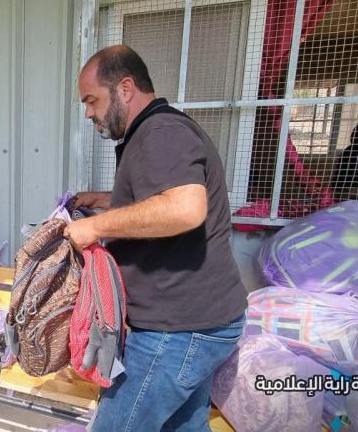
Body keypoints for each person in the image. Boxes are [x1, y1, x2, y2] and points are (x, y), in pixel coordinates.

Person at [64, 45, 249, 431]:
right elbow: (158, 195)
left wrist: (94, 227)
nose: (88, 113)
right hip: (202, 321)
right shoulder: (153, 131)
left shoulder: (161, 132)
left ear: (125, 88)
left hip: (178, 330)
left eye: (92, 100)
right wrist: (105, 200)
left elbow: (184, 208)